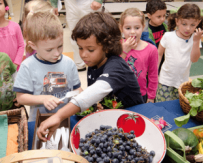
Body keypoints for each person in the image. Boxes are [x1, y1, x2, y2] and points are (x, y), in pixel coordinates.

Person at [37, 12, 144, 141]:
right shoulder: (94, 63)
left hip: (135, 123)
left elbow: (97, 89)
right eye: (80, 48)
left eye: (90, 50)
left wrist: (59, 115)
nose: (83, 55)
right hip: (113, 122)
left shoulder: (117, 66)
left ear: (107, 47)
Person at [13, 11, 82, 122]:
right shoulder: (27, 66)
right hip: (40, 121)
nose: (56, 53)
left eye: (60, 46)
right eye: (49, 50)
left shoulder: (69, 63)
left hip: (67, 118)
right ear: (33, 45)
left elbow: (77, 89)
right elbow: (20, 98)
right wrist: (43, 99)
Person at [156, 3, 203, 102]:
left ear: (198, 23)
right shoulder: (168, 36)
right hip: (165, 80)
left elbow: (194, 59)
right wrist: (155, 73)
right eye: (184, 24)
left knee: (177, 108)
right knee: (161, 106)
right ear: (177, 21)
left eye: (192, 25)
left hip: (182, 82)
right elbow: (159, 54)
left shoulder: (195, 38)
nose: (188, 28)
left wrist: (196, 41)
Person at [50, 0, 103, 71]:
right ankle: (79, 63)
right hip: (71, 3)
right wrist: (54, 4)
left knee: (94, 33)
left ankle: (98, 62)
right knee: (74, 35)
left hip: (89, 2)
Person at [120, 8, 158, 103]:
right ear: (121, 28)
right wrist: (124, 51)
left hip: (140, 94)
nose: (133, 32)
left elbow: (153, 75)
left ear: (143, 27)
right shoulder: (118, 46)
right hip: (120, 93)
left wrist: (151, 96)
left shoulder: (151, 49)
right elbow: (113, 68)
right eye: (128, 28)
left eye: (137, 28)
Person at [144, 0, 168, 74]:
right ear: (149, 15)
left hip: (165, 56)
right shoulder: (144, 30)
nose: (163, 19)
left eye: (164, 15)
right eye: (159, 16)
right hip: (152, 59)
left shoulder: (167, 25)